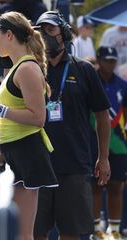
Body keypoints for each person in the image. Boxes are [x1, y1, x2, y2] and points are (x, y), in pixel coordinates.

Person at [0, 11, 58, 240]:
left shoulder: (28, 69)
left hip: (28, 151)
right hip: (15, 152)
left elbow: (38, 117)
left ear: (9, 34)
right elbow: (2, 119)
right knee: (14, 232)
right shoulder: (16, 68)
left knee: (23, 234)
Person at [34, 11, 111, 240]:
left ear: (64, 34)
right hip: (38, 165)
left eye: (50, 30)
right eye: (40, 32)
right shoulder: (31, 69)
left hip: (75, 165)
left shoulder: (84, 69)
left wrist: (104, 157)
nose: (45, 36)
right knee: (35, 232)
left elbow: (102, 115)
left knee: (71, 232)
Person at [91, 46, 127, 240]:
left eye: (113, 61)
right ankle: (96, 228)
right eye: (106, 61)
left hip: (119, 143)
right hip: (94, 141)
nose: (110, 65)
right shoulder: (90, 80)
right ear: (98, 60)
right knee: (95, 185)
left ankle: (114, 229)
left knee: (116, 185)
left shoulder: (122, 85)